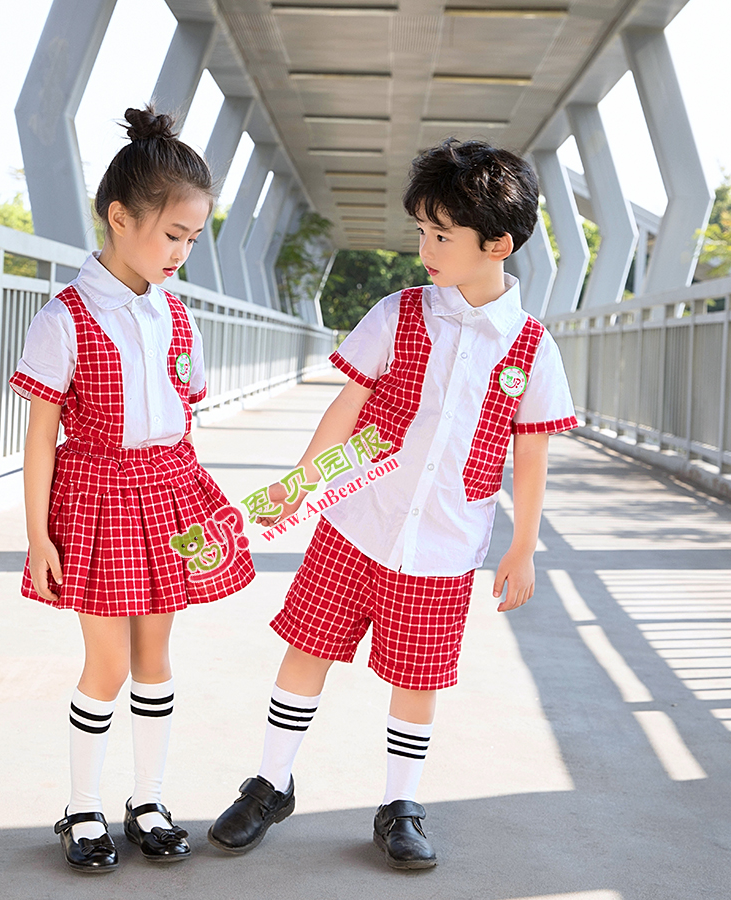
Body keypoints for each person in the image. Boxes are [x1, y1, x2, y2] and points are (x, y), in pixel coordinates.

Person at [208, 138, 577, 870]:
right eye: (422, 231)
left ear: (498, 243)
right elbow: (349, 403)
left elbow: (530, 452)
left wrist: (522, 546)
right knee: (305, 649)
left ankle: (399, 804)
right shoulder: (400, 312)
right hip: (354, 525)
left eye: (443, 235)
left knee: (417, 679)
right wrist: (301, 481)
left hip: (443, 546)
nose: (425, 248)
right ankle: (270, 784)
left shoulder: (532, 347)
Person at [9, 106, 255, 874]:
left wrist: (189, 501)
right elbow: (42, 435)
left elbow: (184, 413)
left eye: (191, 238)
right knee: (106, 663)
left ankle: (147, 799)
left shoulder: (177, 315)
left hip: (168, 489)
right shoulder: (67, 318)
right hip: (97, 498)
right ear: (120, 218)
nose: (182, 252)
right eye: (172, 235)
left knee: (156, 656)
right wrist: (39, 534)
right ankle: (81, 808)